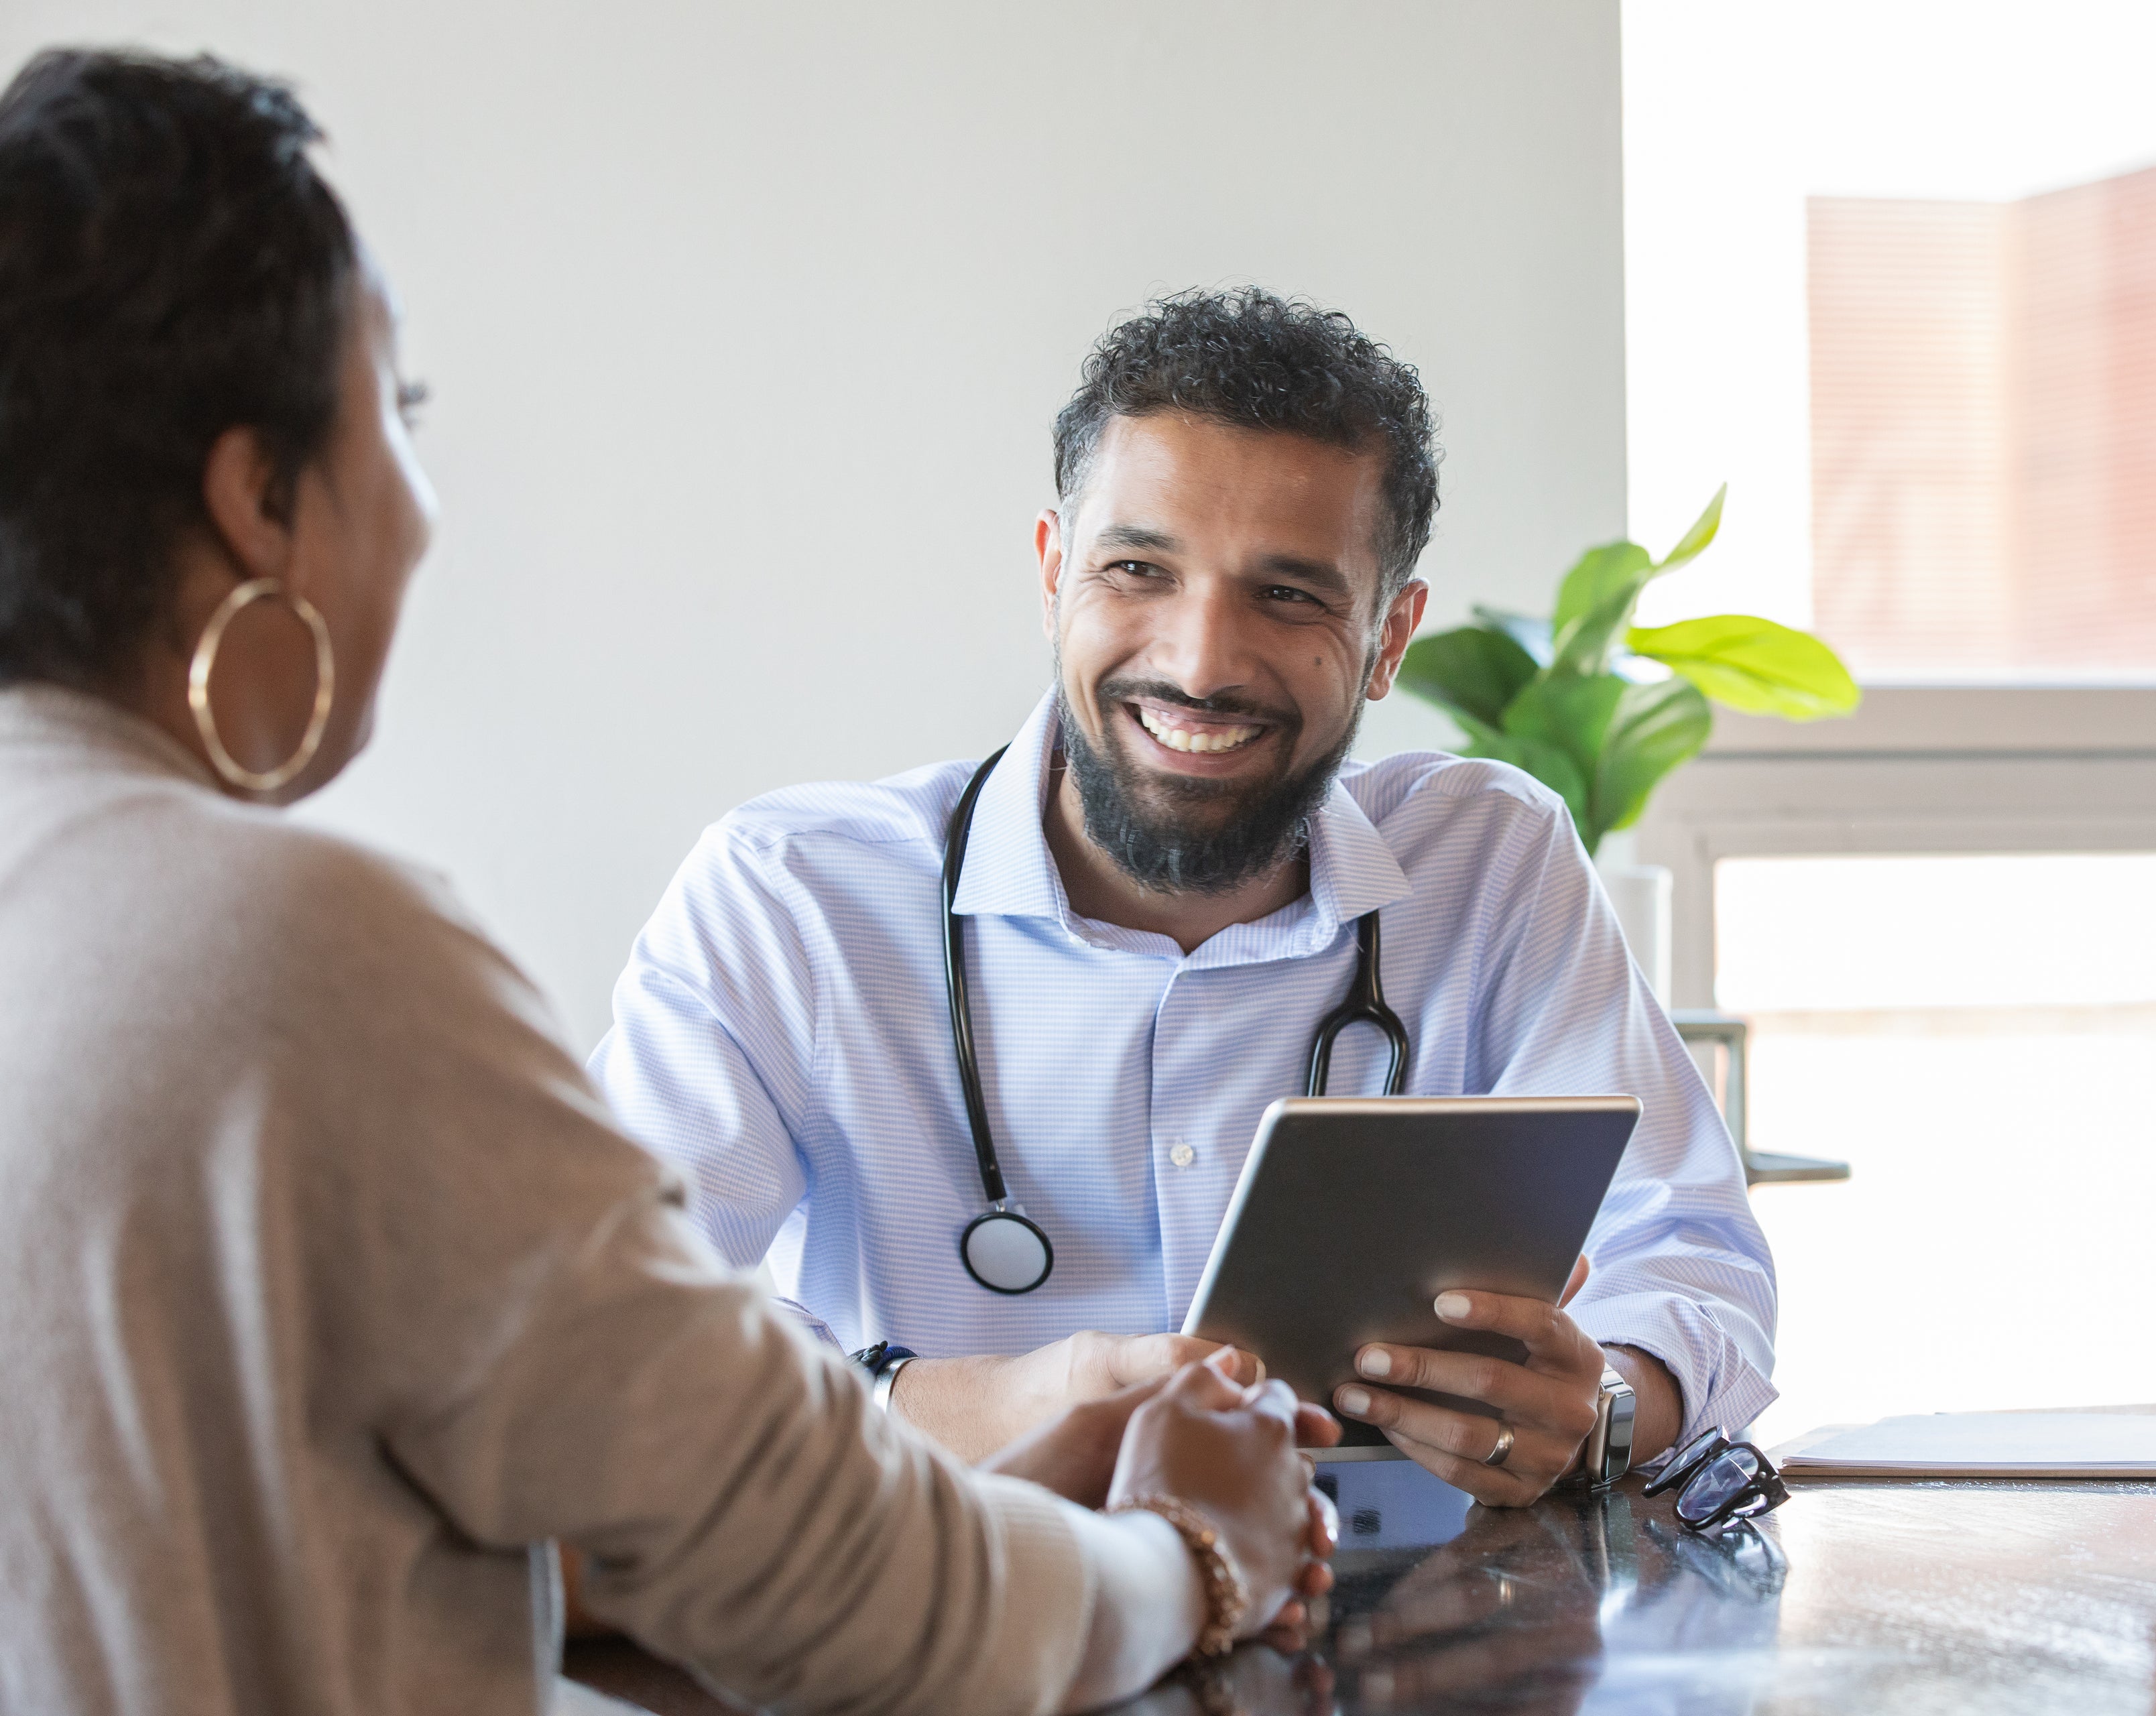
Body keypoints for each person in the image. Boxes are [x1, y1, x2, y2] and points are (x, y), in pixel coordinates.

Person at [0, 48, 1330, 1716]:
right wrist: (1194, 1547)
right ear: (259, 496)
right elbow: (860, 1601)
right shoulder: (304, 951)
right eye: (396, 418)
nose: (418, 511)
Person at [593, 289, 1781, 1506]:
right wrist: (954, 1404)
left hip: (1405, 1635)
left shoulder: (1490, 865)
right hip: (955, 1625)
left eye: (1290, 595)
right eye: (1138, 569)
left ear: (1390, 635)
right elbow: (606, 1325)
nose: (1202, 662)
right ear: (1055, 572)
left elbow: (1694, 1256)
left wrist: (1610, 1399)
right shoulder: (792, 899)